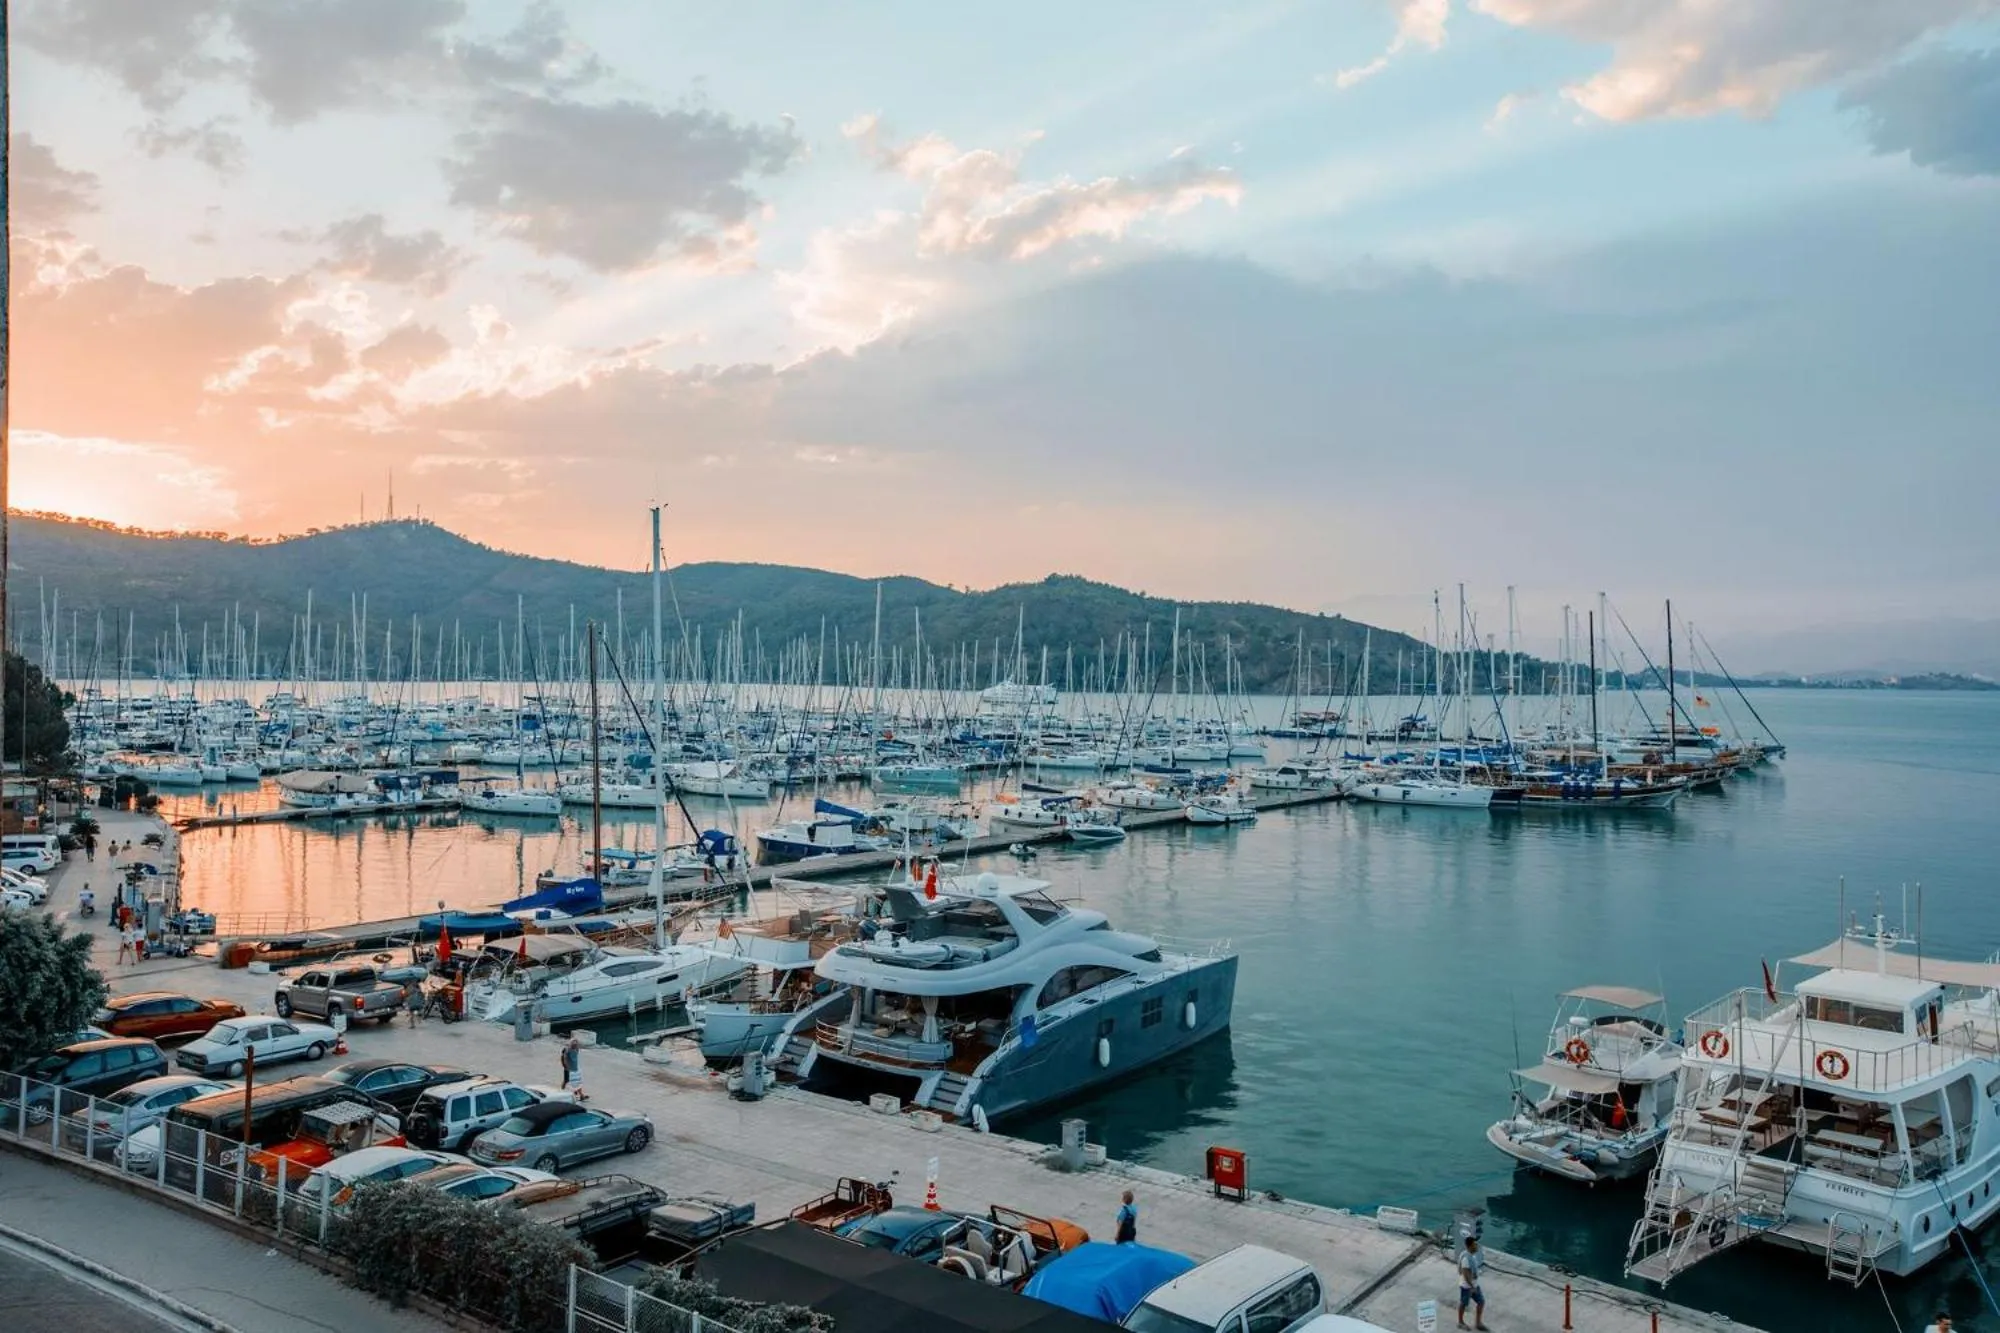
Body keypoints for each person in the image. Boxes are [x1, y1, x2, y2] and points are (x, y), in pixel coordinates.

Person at [1457, 1235, 1487, 1331]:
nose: (1477, 1246)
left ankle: (1478, 1323)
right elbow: (1465, 1274)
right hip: (1467, 1286)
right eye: (1475, 1245)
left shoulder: (1471, 1255)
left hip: (1474, 1285)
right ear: (1470, 1246)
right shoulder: (1466, 1258)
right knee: (1463, 1304)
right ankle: (1460, 1322)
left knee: (1481, 1302)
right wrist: (1471, 1286)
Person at [561, 1035, 587, 1101]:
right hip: (569, 1069)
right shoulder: (567, 1050)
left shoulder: (576, 1049)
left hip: (575, 1069)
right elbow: (564, 1058)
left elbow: (576, 1054)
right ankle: (561, 1092)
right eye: (574, 1043)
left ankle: (581, 1095)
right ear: (571, 1043)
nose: (575, 1044)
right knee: (566, 1081)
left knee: (577, 1082)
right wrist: (566, 1067)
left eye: (576, 1043)